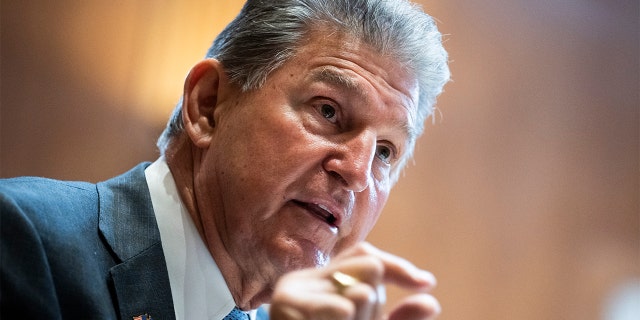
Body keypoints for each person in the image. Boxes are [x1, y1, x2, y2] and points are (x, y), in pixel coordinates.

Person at [0, 0, 450, 319]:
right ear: (209, 105)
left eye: (386, 151)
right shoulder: (23, 237)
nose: (356, 173)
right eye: (328, 111)